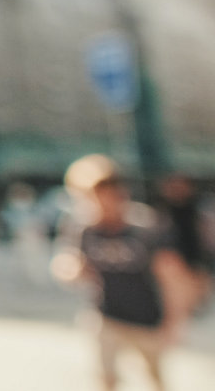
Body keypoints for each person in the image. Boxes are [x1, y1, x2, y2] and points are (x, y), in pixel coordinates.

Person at [52, 155, 200, 391]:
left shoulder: (145, 227)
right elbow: (68, 263)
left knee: (154, 379)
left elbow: (172, 276)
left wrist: (174, 322)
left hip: (147, 318)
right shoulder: (84, 228)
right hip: (107, 316)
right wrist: (71, 270)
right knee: (106, 378)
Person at [157, 173, 212, 309]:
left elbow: (206, 239)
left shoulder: (199, 211)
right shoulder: (164, 213)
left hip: (198, 263)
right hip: (176, 265)